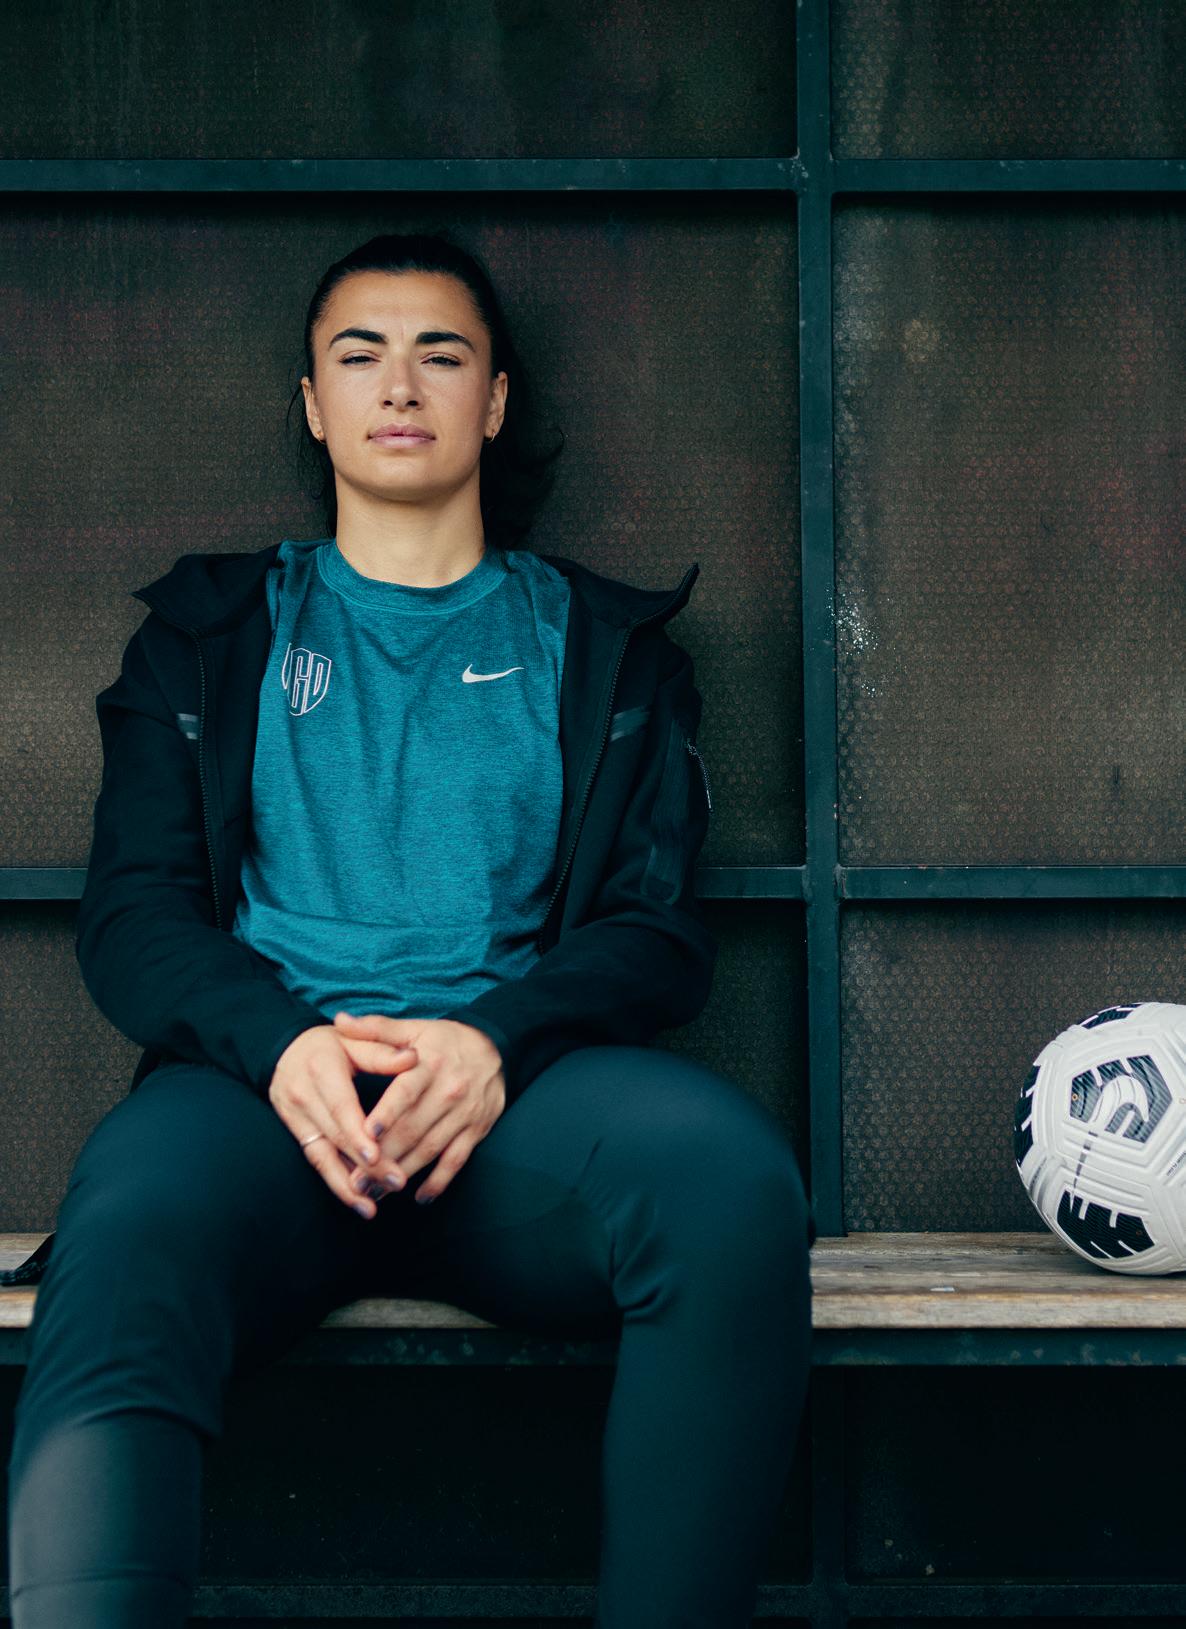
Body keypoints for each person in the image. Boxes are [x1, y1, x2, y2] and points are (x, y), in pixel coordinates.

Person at [4, 230, 813, 1628]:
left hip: (516, 1113)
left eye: (441, 354)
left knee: (730, 1182)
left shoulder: (606, 647)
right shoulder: (207, 632)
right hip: (265, 1106)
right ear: (313, 405)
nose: (399, 384)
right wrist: (279, 1045)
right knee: (123, 1222)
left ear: (492, 401)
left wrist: (494, 1040)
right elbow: (132, 916)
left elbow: (656, 931)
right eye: (358, 355)